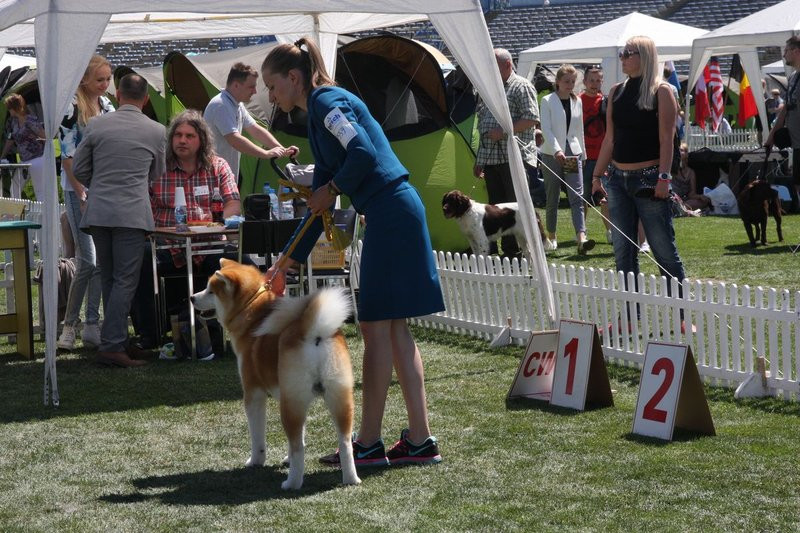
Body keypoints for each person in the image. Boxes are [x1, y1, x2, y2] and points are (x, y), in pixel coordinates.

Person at [261, 37, 444, 466]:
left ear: (293, 77)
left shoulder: (326, 101)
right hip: (391, 211)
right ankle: (419, 441)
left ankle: (366, 444)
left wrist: (336, 187)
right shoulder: (317, 115)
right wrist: (286, 262)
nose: (270, 96)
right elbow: (319, 201)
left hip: (391, 213)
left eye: (272, 86)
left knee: (378, 328)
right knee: (394, 330)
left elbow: (359, 153)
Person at [72, 74, 166, 368]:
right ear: (146, 98)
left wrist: (99, 184)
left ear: (117, 94)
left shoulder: (96, 124)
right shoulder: (157, 130)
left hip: (99, 211)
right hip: (132, 213)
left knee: (111, 276)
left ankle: (117, 340)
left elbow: (79, 167)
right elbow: (157, 173)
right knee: (125, 279)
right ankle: (113, 345)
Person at [132, 110, 242, 358]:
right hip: (166, 245)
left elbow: (233, 201)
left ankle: (235, 331)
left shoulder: (217, 166)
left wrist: (225, 222)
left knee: (238, 262)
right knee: (139, 261)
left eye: (189, 136)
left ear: (201, 139)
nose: (182, 140)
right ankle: (150, 336)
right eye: (178, 135)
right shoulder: (158, 168)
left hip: (209, 245)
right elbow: (144, 207)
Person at [591, 36, 685, 290]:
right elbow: (610, 139)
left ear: (644, 56)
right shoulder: (616, 91)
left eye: (627, 53)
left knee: (663, 251)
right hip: (618, 179)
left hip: (650, 177)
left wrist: (664, 178)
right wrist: (596, 176)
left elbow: (667, 140)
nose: (622, 57)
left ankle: (681, 315)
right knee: (623, 252)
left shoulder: (662, 91)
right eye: (622, 53)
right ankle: (631, 315)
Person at [57, 55, 114, 351]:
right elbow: (67, 158)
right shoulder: (71, 108)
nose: (105, 85)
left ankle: (92, 323)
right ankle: (70, 325)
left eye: (108, 78)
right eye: (100, 79)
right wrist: (80, 191)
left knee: (101, 262)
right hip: (78, 189)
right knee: (88, 260)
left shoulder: (108, 107)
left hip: (102, 191)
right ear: (83, 80)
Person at [473, 48, 539, 258]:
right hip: (492, 161)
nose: (489, 70)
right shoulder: (489, 89)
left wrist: (503, 132)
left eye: (494, 65)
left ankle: (516, 252)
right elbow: (483, 125)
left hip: (514, 159)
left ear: (508, 64)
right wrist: (480, 160)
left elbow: (531, 118)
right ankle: (500, 251)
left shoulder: (522, 86)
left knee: (514, 208)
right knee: (496, 208)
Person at [203, 62, 293, 181]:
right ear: (236, 85)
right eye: (251, 87)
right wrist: (265, 154)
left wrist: (283, 150)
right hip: (211, 179)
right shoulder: (221, 105)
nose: (255, 91)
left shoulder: (237, 105)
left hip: (224, 178)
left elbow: (256, 130)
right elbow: (234, 139)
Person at [540, 64, 594, 255]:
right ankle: (552, 236)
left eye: (573, 81)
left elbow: (579, 131)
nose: (570, 85)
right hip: (551, 154)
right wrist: (556, 150)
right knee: (552, 196)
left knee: (576, 196)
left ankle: (581, 237)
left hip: (573, 153)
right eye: (566, 81)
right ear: (558, 82)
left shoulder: (577, 101)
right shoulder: (547, 100)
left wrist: (584, 154)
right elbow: (546, 129)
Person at [580, 66, 613, 244]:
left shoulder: (607, 102)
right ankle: (581, 233)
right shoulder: (576, 101)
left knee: (606, 198)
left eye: (598, 80)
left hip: (603, 157)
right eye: (591, 80)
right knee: (582, 197)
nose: (594, 84)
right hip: (583, 158)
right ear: (584, 82)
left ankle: (610, 232)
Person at [766, 36, 800, 199]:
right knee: (798, 183)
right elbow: (785, 110)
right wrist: (771, 137)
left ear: (796, 51)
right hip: (797, 143)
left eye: (786, 51)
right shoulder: (793, 77)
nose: (784, 55)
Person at [0, 94, 46, 200]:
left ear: (15, 108)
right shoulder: (14, 122)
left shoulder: (31, 120)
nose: (9, 111)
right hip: (24, 161)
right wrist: (2, 157)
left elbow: (45, 136)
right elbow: (10, 140)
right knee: (14, 189)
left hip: (37, 159)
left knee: (40, 192)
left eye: (9, 108)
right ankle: (15, 214)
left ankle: (44, 215)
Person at [672, 143, 710, 212]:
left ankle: (680, 209)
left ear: (687, 154)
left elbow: (692, 194)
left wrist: (700, 196)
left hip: (685, 201)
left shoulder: (691, 172)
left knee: (703, 202)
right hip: (672, 198)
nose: (679, 152)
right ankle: (680, 209)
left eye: (682, 150)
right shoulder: (671, 169)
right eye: (678, 150)